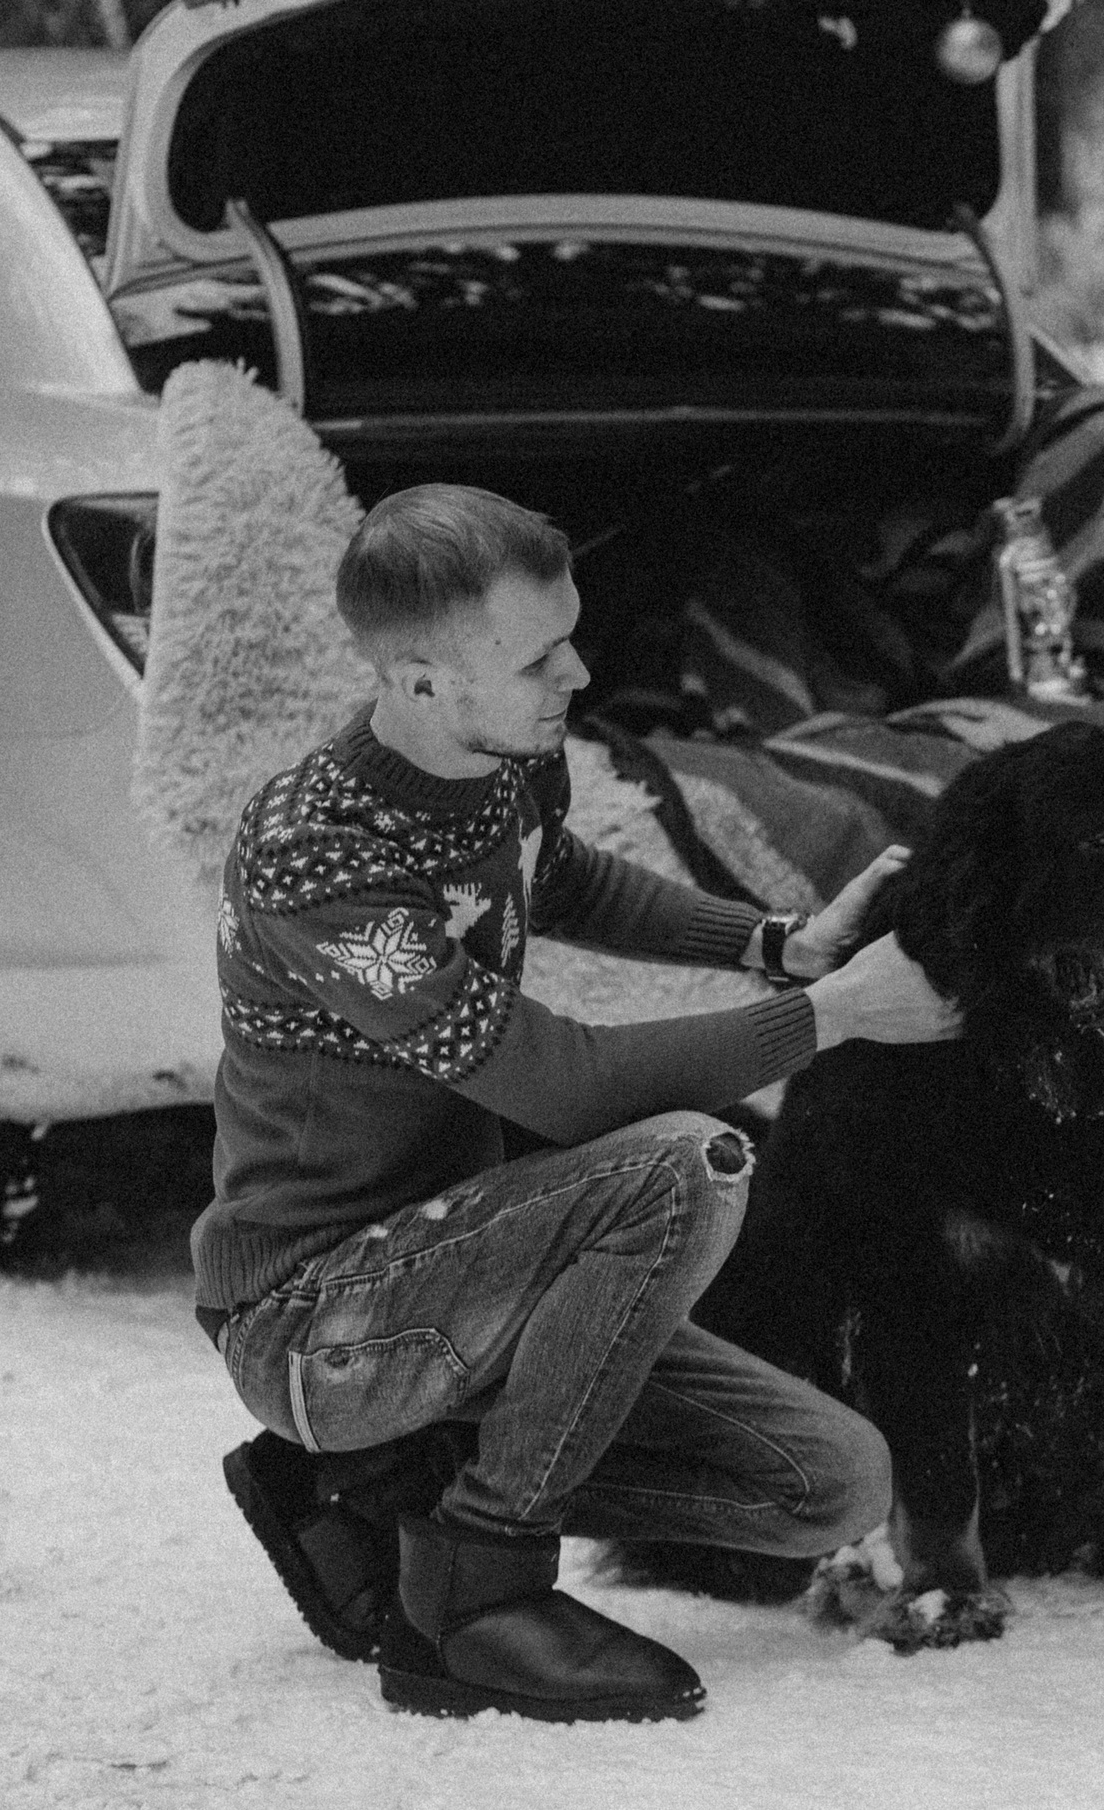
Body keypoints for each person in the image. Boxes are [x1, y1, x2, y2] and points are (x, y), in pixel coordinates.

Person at [193, 484, 960, 1723]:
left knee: (834, 1485)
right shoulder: (317, 851)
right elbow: (566, 1084)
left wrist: (778, 947)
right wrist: (835, 1017)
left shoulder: (502, 766)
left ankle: (379, 1493)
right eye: (539, 655)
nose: (579, 671)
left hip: (473, 1267)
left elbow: (565, 882)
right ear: (422, 681)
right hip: (316, 1317)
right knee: (678, 1165)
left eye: (571, 633)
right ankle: (475, 1595)